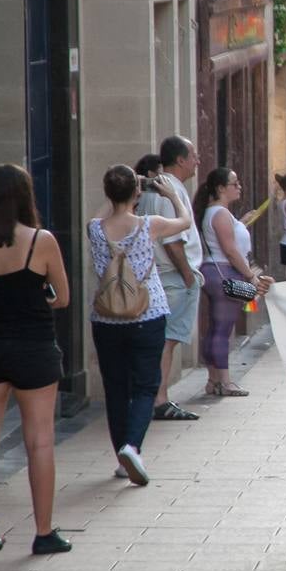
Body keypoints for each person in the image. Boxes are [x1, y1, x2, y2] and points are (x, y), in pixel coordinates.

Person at [0, 165, 72, 555]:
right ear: (26, 196)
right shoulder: (42, 240)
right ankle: (43, 532)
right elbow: (63, 298)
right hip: (33, 348)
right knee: (39, 441)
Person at [87, 165, 195, 486]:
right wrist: (172, 194)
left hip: (106, 319)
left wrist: (117, 194)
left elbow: (102, 212)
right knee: (147, 385)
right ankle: (132, 446)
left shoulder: (95, 228)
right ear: (137, 193)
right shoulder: (150, 225)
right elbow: (186, 221)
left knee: (116, 388)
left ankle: (122, 453)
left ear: (108, 192)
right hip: (147, 315)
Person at [195, 168, 274, 396]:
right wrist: (250, 275)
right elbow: (230, 250)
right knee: (223, 329)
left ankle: (214, 380)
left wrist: (240, 223)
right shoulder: (219, 213)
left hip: (214, 271)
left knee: (216, 328)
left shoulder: (216, 213)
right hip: (224, 272)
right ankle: (225, 381)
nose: (239, 187)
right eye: (234, 183)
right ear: (221, 188)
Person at [150, 136, 204, 422]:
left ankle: (156, 396)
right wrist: (187, 275)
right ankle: (159, 398)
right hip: (173, 276)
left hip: (168, 276)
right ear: (181, 160)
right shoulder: (170, 189)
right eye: (193, 155)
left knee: (165, 339)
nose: (197, 160)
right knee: (167, 340)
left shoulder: (166, 187)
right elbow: (173, 240)